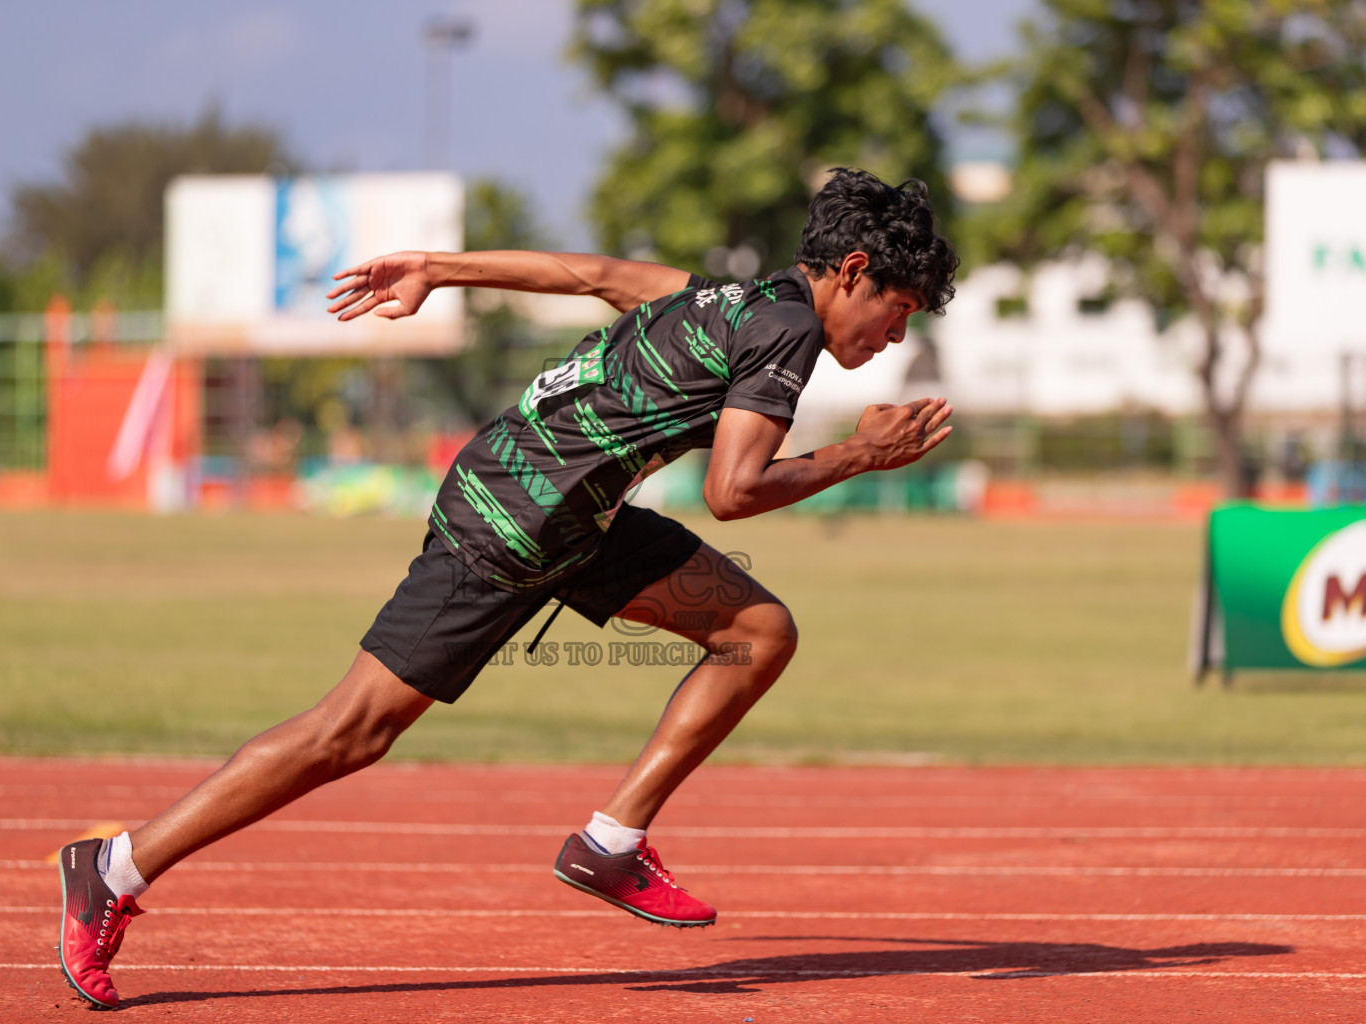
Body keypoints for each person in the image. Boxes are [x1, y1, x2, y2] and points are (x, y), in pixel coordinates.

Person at [56, 167, 960, 1009]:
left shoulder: (727, 296)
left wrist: (438, 267)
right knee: (350, 732)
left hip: (575, 520)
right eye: (900, 309)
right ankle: (119, 867)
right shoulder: (790, 329)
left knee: (758, 632)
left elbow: (592, 272)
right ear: (851, 272)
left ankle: (611, 843)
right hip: (510, 524)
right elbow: (734, 493)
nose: (896, 336)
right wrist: (863, 455)